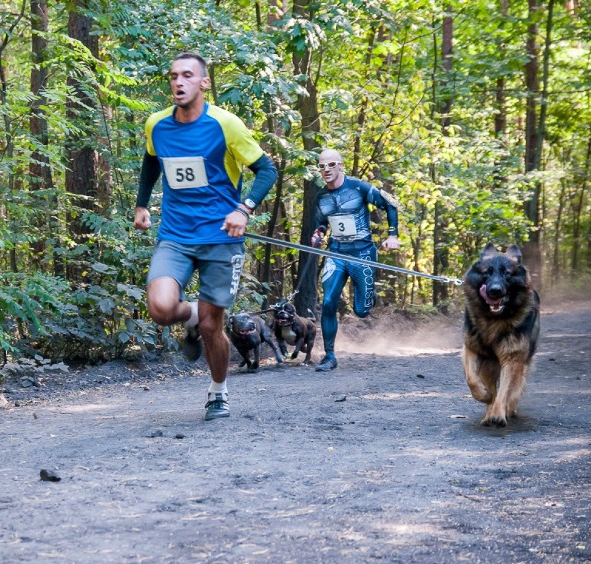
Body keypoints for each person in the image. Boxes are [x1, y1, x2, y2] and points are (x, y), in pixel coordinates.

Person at [133, 53, 278, 421]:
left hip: (220, 238)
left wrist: (243, 210)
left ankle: (218, 391)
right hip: (177, 235)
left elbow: (266, 169)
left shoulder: (225, 125)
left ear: (204, 83)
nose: (178, 83)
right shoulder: (157, 125)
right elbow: (152, 159)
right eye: (173, 76)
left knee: (214, 326)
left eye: (187, 76)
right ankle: (191, 312)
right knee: (161, 308)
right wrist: (142, 204)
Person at [310, 149, 400, 372]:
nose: (326, 170)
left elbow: (389, 204)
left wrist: (392, 235)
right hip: (336, 253)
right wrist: (318, 233)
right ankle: (329, 356)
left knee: (361, 310)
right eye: (322, 166)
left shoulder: (359, 187)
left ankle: (370, 296)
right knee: (329, 301)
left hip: (363, 253)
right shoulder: (321, 196)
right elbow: (322, 223)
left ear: (340, 165)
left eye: (331, 165)